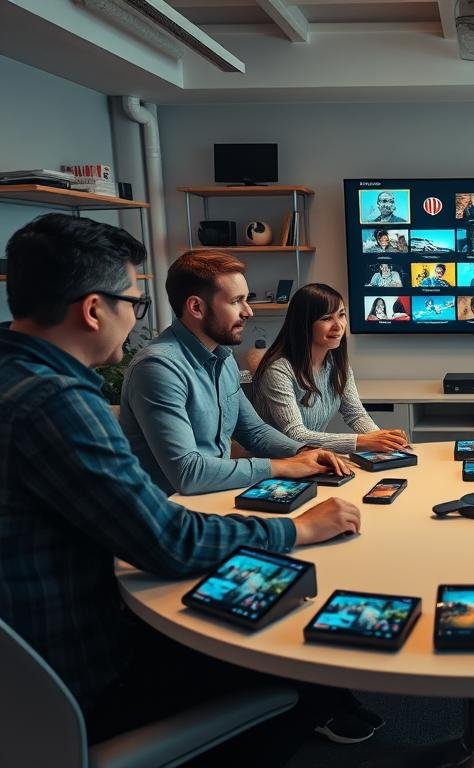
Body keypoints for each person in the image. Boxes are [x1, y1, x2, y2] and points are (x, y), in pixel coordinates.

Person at [0, 214, 381, 759]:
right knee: (295, 656)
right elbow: (171, 538)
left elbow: (249, 431)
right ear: (92, 310)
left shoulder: (20, 379)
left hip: (54, 647)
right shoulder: (57, 403)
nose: (136, 319)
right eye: (135, 304)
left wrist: (303, 453)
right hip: (87, 672)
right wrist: (296, 529)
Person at [120, 250, 350, 496]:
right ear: (196, 307)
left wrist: (303, 451)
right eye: (235, 301)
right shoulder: (158, 367)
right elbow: (187, 473)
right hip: (169, 511)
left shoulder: (224, 357)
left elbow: (254, 431)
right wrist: (282, 467)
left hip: (212, 498)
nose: (248, 311)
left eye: (246, 299)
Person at [254, 283, 409, 454]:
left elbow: (355, 414)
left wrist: (383, 440)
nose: (338, 326)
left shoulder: (337, 364)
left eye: (341, 315)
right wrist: (363, 442)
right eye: (326, 318)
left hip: (311, 459)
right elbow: (295, 435)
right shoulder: (278, 370)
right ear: (303, 324)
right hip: (277, 466)